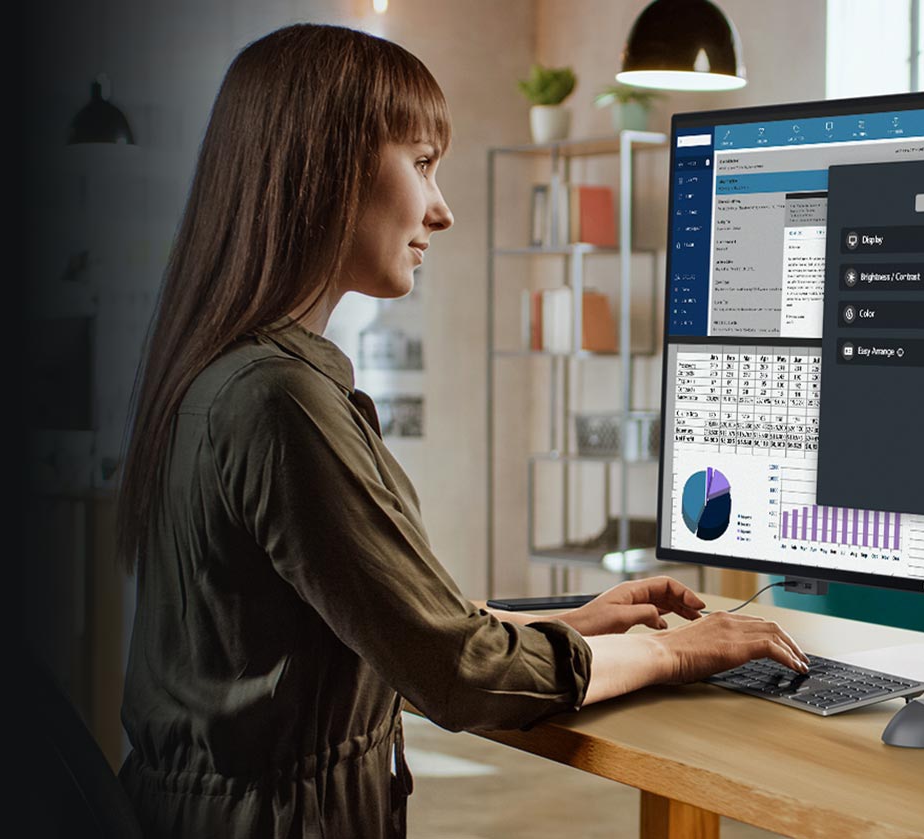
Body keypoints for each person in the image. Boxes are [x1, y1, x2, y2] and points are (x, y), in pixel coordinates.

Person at [111, 24, 810, 836]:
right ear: (326, 164)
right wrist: (679, 650)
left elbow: (391, 632)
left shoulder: (221, 372)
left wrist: (573, 622)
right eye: (422, 163)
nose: (441, 210)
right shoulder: (278, 400)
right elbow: (458, 674)